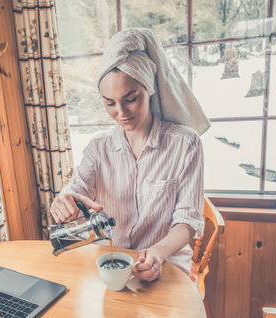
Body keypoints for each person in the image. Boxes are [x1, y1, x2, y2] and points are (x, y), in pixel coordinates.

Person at [50, 28, 210, 282]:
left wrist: (158, 251)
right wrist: (62, 203)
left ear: (149, 89)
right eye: (109, 103)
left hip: (165, 263)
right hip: (109, 265)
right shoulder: (98, 149)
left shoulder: (185, 144)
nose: (121, 112)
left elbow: (187, 221)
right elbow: (75, 193)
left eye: (131, 98)